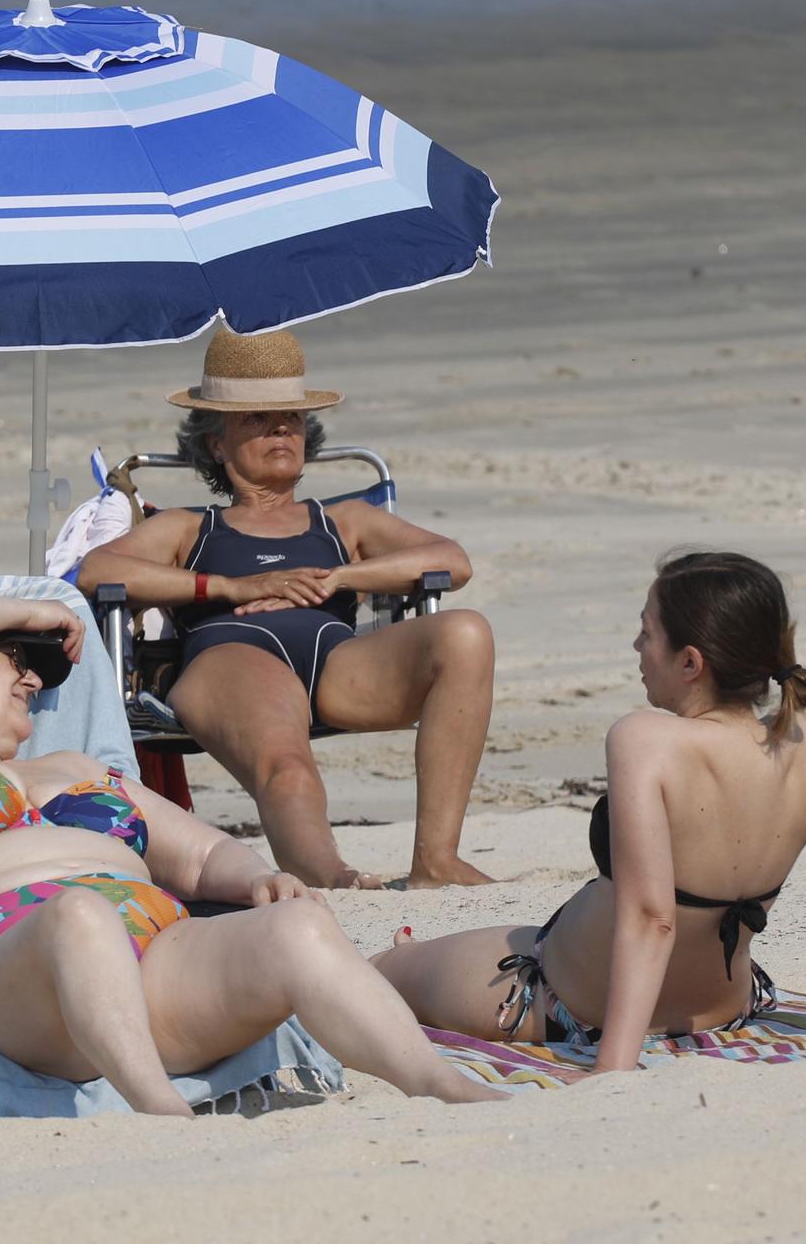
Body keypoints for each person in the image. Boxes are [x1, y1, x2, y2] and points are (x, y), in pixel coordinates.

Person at [0, 582, 505, 1113]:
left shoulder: (76, 770)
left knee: (296, 926)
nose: (35, 682)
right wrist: (46, 607)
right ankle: (161, 1112)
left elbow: (202, 855)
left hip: (148, 965)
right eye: (17, 660)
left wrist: (255, 881)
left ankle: (437, 1084)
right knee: (79, 916)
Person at [371, 551, 806, 1070]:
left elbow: (651, 917)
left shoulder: (646, 739)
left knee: (389, 970)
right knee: (479, 945)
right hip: (727, 1005)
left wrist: (613, 1068)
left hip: (570, 1003)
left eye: (647, 632)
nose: (637, 647)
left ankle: (409, 955)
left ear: (691, 662)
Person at [75, 327, 494, 891]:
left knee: (466, 632)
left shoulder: (343, 522)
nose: (279, 429)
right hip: (232, 656)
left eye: (290, 418)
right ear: (216, 443)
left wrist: (340, 575)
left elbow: (453, 560)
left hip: (335, 663)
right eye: (255, 419)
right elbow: (97, 571)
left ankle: (435, 861)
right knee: (287, 765)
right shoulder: (190, 526)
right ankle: (332, 877)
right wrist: (230, 587)